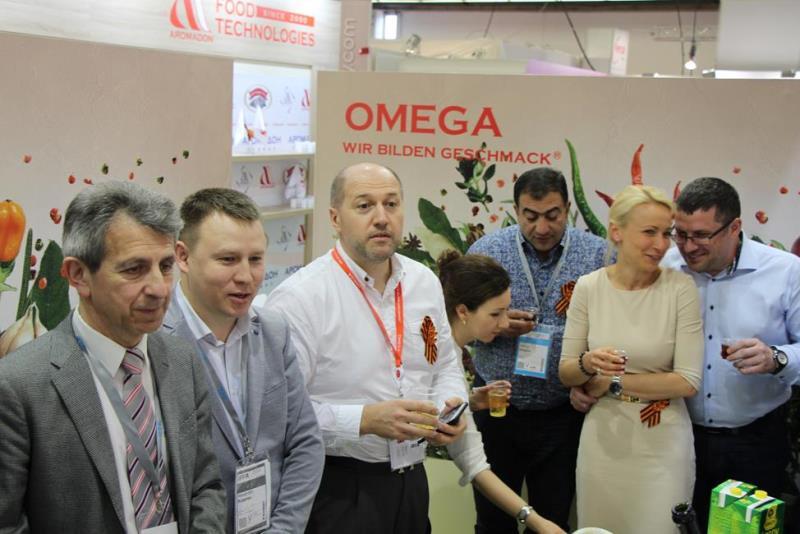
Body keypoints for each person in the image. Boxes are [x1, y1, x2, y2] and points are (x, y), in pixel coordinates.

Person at [0, 181, 226, 533]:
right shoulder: (18, 386)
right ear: (78, 275)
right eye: (134, 269)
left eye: (166, 265)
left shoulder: (183, 361)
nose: (159, 288)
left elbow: (205, 486)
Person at [267, 162, 468, 534]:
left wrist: (450, 406)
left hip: (411, 477)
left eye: (391, 204)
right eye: (364, 206)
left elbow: (445, 364)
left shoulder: (423, 281)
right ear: (335, 218)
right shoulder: (301, 297)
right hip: (336, 485)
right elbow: (281, 413)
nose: (381, 218)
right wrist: (363, 420)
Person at [161, 188, 324, 533]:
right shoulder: (154, 343)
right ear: (183, 257)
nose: (246, 277)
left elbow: (306, 441)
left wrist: (283, 529)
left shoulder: (273, 332)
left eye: (256, 259)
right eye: (228, 259)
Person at [466, 166, 607, 532]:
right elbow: (460, 325)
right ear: (515, 210)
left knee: (552, 520)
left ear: (568, 209)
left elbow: (609, 330)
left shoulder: (597, 255)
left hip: (562, 414)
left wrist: (589, 379)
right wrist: (496, 326)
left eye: (552, 215)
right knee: (492, 522)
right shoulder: (487, 252)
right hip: (497, 410)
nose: (542, 228)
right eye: (530, 216)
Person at [559, 184, 704, 534]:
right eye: (649, 232)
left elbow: (687, 381)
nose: (661, 244)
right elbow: (567, 371)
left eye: (666, 233)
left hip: (662, 445)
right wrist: (588, 364)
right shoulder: (589, 287)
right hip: (603, 443)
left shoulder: (680, 288)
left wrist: (610, 383)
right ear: (617, 232)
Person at [662, 177, 800, 529]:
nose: (687, 246)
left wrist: (776, 358)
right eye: (680, 234)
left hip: (755, 441)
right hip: (678, 437)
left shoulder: (785, 271)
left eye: (700, 235)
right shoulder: (665, 268)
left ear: (734, 227)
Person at [438, 251, 565, 534]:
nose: (506, 323)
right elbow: (473, 463)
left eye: (506, 311)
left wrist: (470, 402)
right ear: (463, 311)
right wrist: (538, 523)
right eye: (496, 314)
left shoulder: (451, 352)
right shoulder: (436, 352)